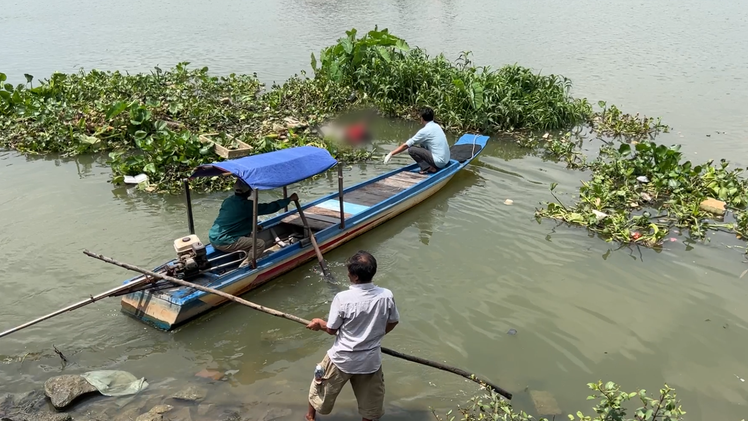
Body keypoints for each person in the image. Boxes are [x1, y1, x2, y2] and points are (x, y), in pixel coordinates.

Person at [305, 251, 400, 421]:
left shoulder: (342, 298)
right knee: (371, 405)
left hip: (342, 359)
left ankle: (310, 417)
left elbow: (332, 329)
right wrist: (375, 335)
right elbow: (393, 321)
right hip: (370, 362)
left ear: (355, 277)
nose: (347, 274)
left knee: (319, 388)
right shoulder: (386, 295)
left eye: (349, 271)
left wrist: (319, 323)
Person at [208, 179, 297, 266]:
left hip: (214, 236)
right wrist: (289, 199)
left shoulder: (228, 201)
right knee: (259, 244)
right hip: (225, 240)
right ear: (248, 192)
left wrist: (252, 226)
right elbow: (269, 207)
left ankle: (245, 255)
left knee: (250, 235)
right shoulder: (247, 205)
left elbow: (235, 220)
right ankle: (246, 266)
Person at [384, 107, 450, 174]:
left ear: (422, 118)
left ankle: (428, 168)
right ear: (433, 118)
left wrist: (391, 154)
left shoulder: (425, 131)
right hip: (446, 160)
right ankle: (430, 165)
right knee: (422, 144)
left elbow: (406, 145)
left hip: (439, 162)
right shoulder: (437, 126)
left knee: (412, 150)